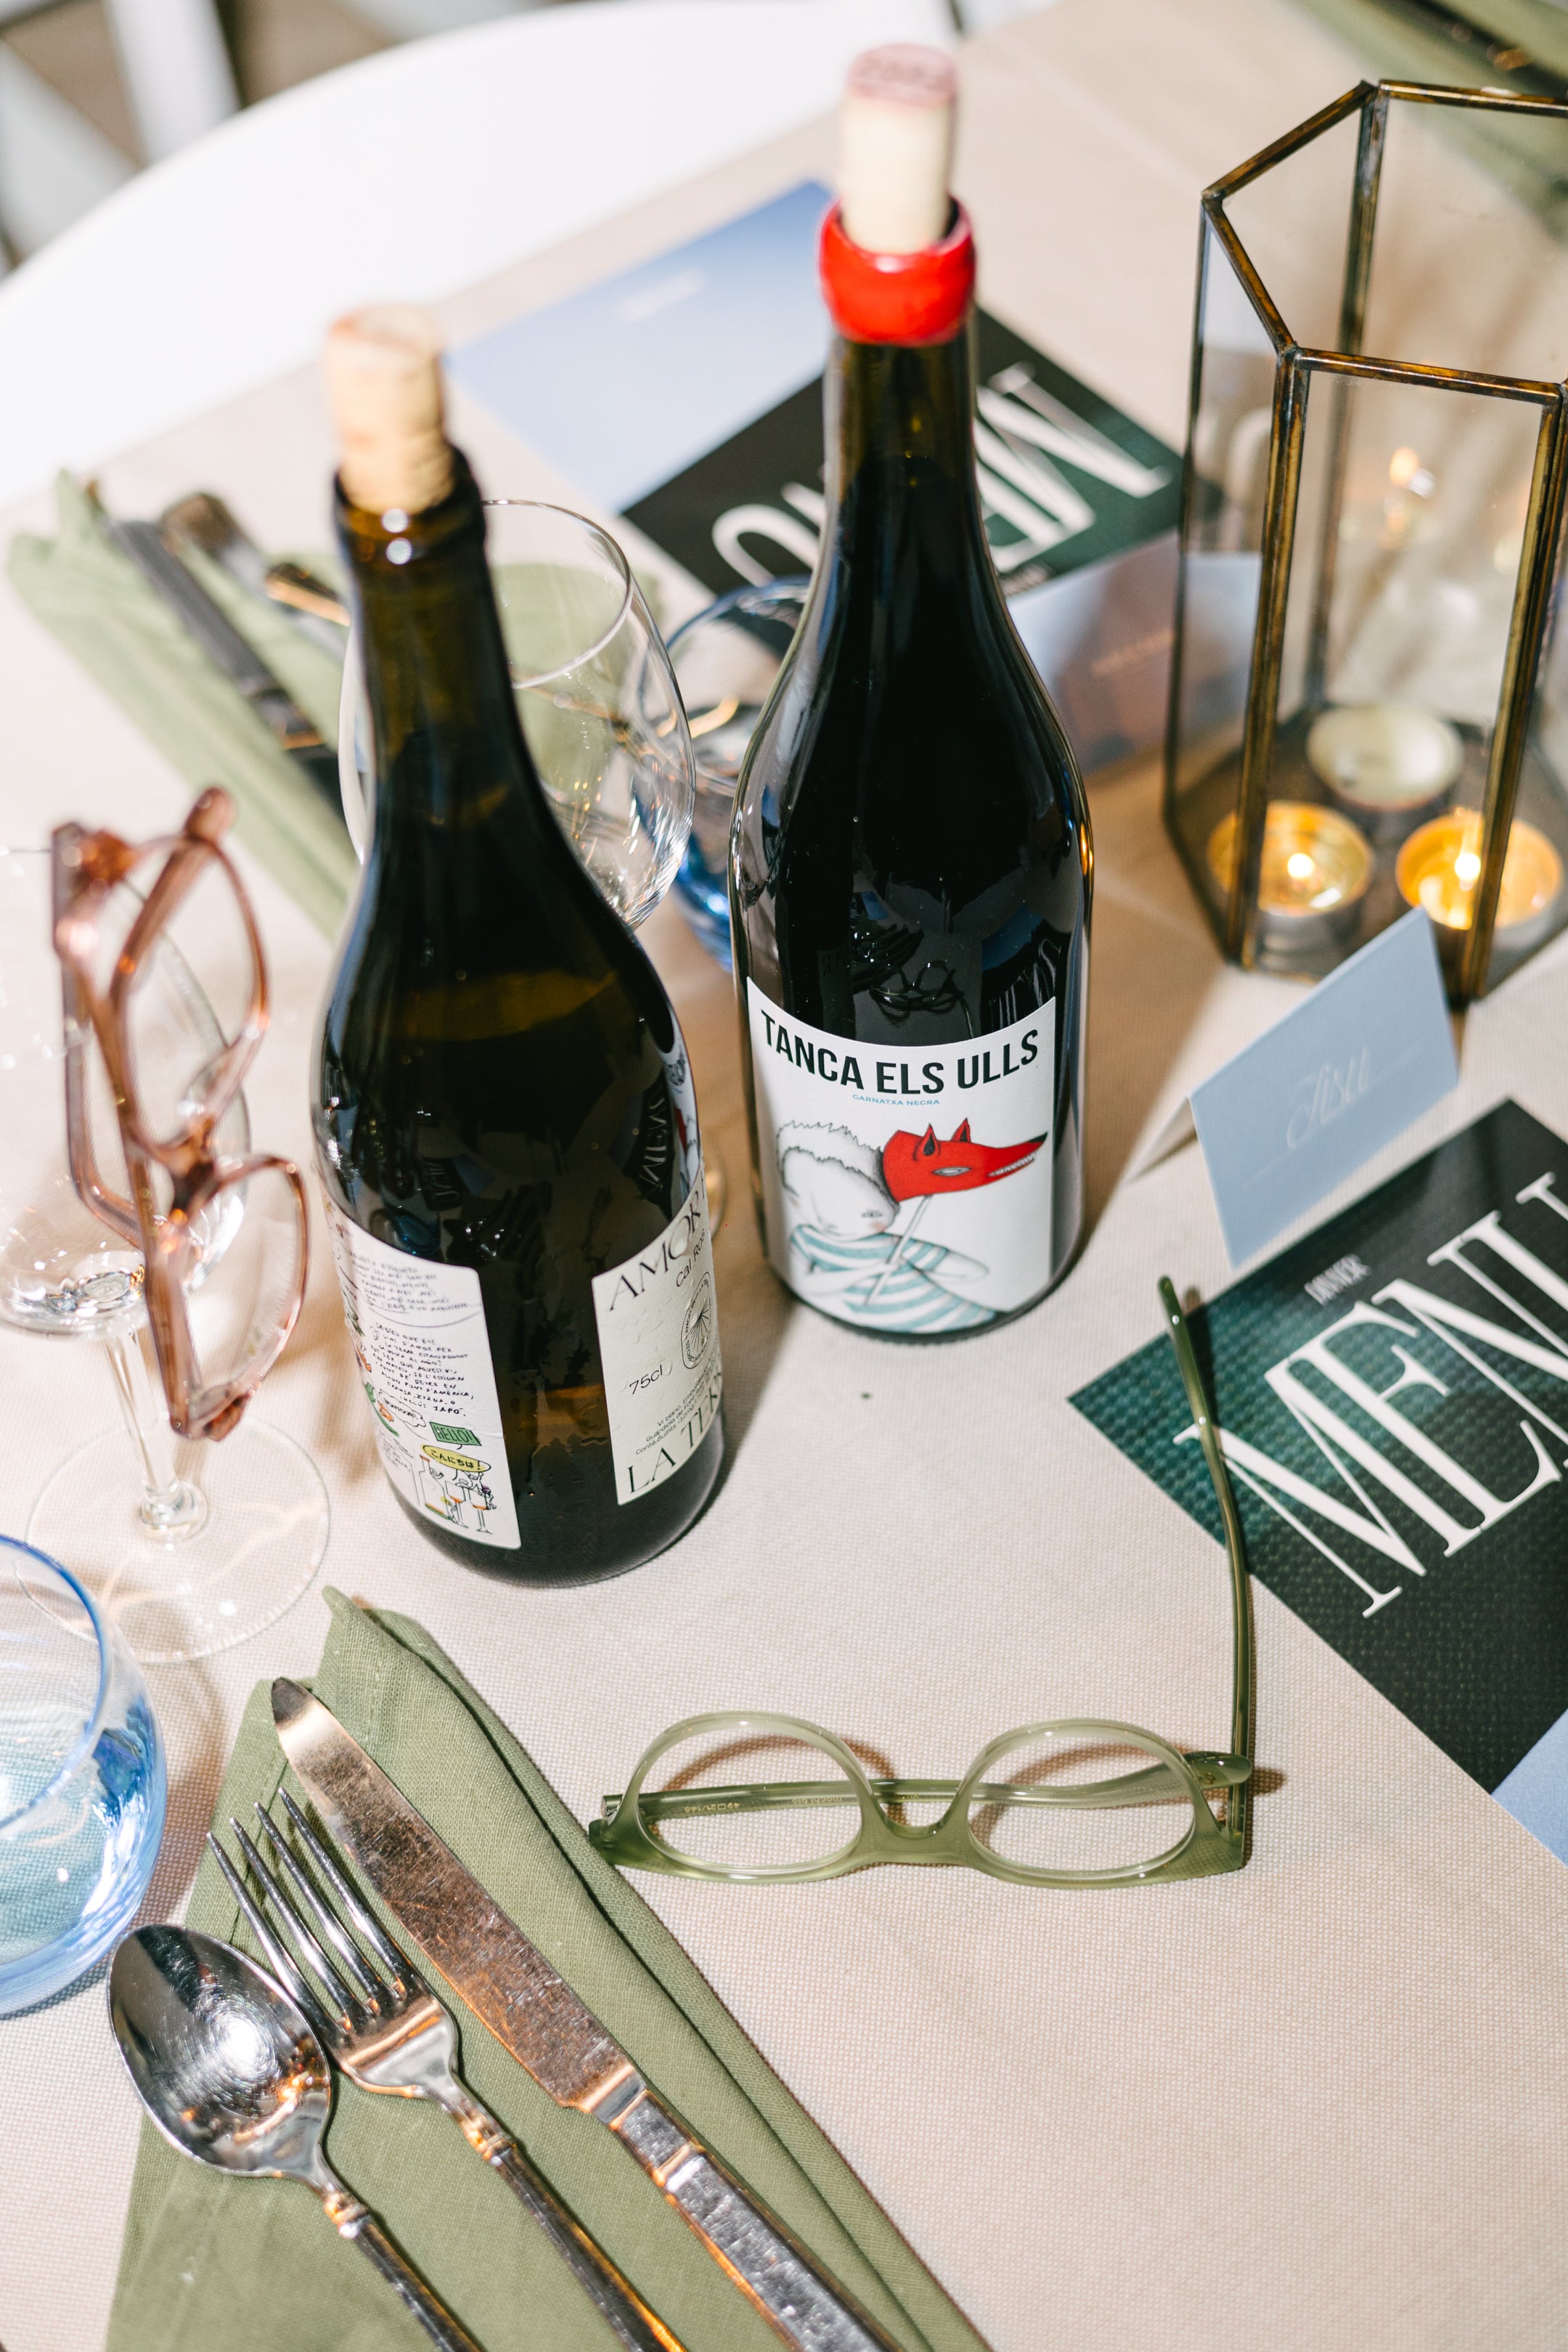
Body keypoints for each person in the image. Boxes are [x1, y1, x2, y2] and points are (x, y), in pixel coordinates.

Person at [775, 1122, 994, 1333]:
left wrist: (919, 1275)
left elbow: (970, 1271)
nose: (827, 1221)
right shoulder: (806, 1239)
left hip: (955, 1314)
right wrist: (873, 1270)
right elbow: (807, 1282)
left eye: (869, 1214)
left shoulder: (891, 1245)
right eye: (798, 1199)